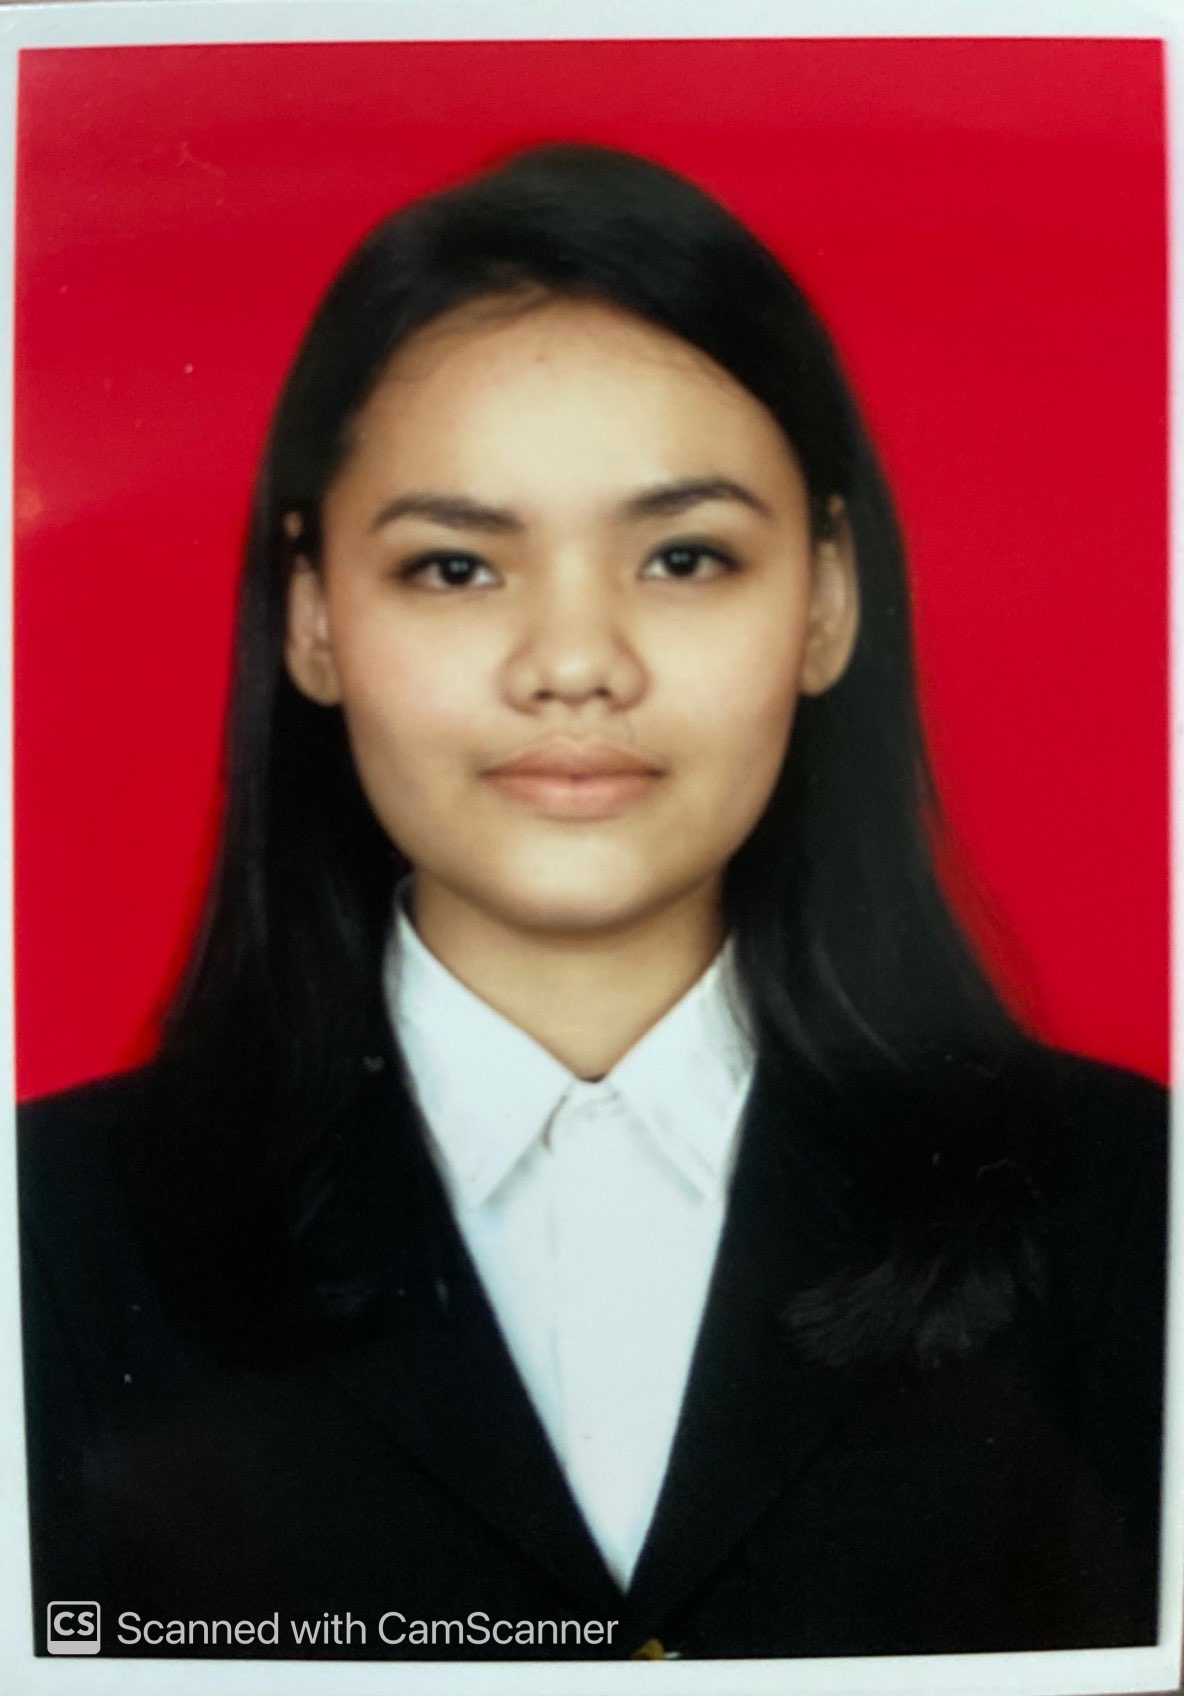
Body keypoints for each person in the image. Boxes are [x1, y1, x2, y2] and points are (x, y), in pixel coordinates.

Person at [18, 142, 1168, 1663]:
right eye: (454, 568)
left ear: (826, 598)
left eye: (685, 557)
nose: (575, 663)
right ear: (312, 616)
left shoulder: (1131, 1207)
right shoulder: (47, 1238)